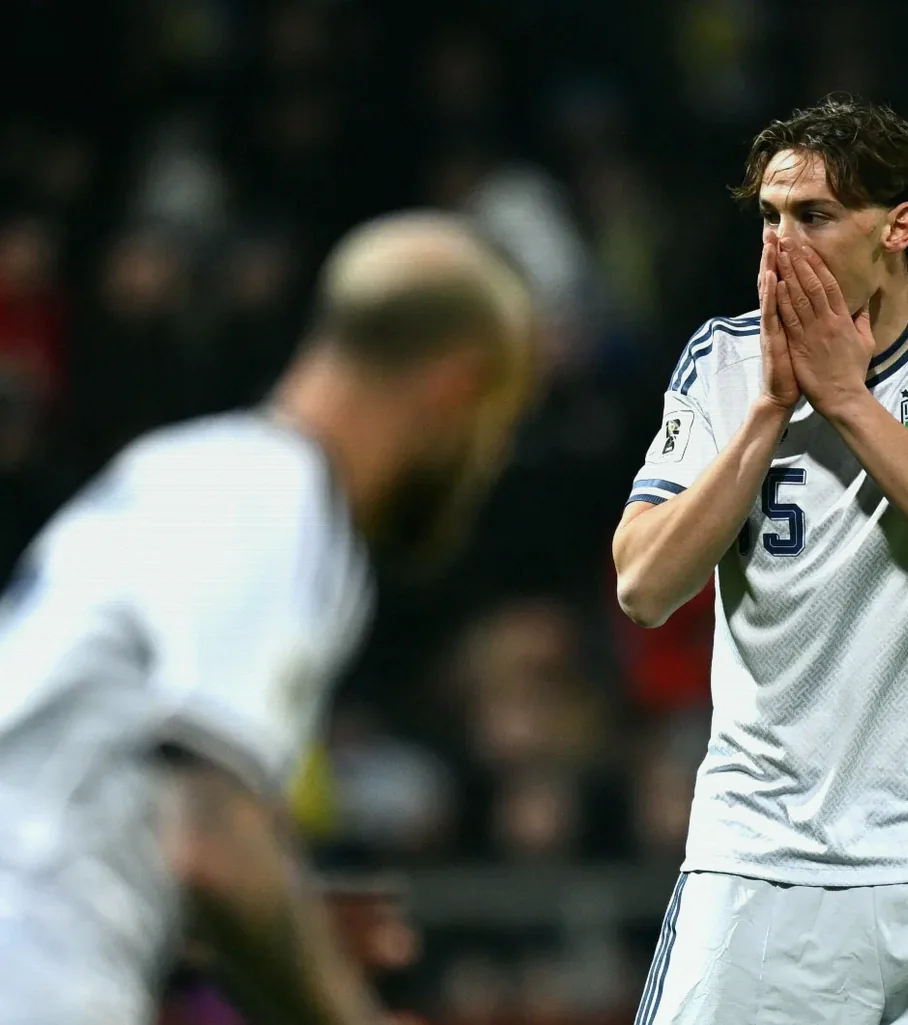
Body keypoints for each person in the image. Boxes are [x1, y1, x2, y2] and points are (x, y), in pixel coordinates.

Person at [613, 95, 908, 1025]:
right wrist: (768, 411)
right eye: (769, 217)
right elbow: (643, 584)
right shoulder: (721, 361)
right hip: (759, 865)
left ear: (896, 227)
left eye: (815, 215)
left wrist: (846, 401)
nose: (780, 244)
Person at [0, 210, 534, 1025]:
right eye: (499, 427)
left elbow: (92, 801)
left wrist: (287, 930)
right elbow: (211, 838)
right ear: (457, 385)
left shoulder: (187, 469)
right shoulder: (281, 504)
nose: (488, 460)